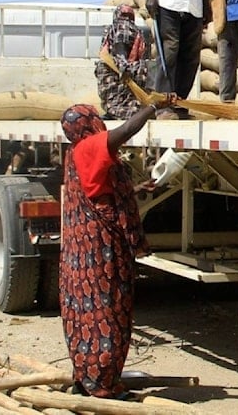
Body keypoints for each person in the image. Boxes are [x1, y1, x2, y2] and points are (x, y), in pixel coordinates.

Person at [59, 97, 176, 399]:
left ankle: (87, 379)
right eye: (94, 118)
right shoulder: (89, 147)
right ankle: (104, 386)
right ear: (87, 125)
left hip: (86, 254)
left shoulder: (75, 154)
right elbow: (124, 131)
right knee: (107, 312)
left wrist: (134, 190)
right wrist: (154, 107)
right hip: (101, 253)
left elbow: (97, 191)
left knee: (88, 313)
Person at [95, 4, 148, 119]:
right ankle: (130, 113)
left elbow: (119, 47)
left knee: (114, 95)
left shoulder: (116, 27)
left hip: (115, 68)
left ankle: (115, 113)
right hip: (124, 68)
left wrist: (122, 65)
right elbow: (122, 48)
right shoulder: (134, 29)